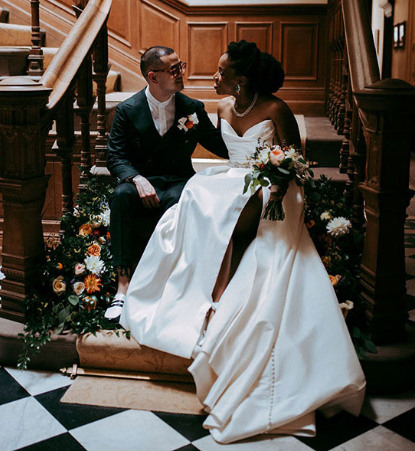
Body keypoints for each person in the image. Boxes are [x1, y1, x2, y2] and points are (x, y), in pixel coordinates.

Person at [120, 41, 366, 443]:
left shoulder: (275, 109)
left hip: (273, 187)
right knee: (197, 196)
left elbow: (295, 161)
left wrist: (277, 177)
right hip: (234, 178)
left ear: (240, 82)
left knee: (232, 207)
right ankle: (195, 291)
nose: (212, 78)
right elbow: (208, 146)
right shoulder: (217, 109)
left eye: (220, 73)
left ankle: (223, 294)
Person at [102, 46, 228, 321]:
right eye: (174, 69)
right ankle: (122, 288)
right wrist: (136, 179)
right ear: (153, 77)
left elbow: (221, 145)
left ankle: (172, 287)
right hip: (142, 181)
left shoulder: (191, 110)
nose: (181, 72)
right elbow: (116, 156)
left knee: (180, 198)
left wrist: (251, 141)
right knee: (121, 195)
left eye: (180, 65)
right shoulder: (127, 110)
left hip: (178, 180)